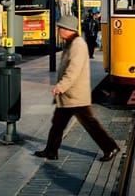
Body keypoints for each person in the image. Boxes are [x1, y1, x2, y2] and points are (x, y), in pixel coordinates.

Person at [34, 15, 120, 162]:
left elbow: (73, 70)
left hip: (75, 96)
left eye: (61, 28)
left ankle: (110, 147)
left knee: (90, 124)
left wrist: (60, 87)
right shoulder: (70, 43)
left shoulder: (78, 44)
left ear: (68, 29)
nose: (59, 30)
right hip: (69, 95)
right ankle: (51, 151)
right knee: (58, 124)